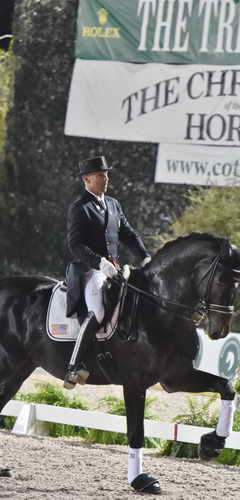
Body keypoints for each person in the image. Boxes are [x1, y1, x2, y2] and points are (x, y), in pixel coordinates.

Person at [64, 155, 151, 389]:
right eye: (101, 175)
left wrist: (145, 256)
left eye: (106, 174)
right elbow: (75, 245)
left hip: (115, 268)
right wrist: (99, 262)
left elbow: (129, 234)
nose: (106, 179)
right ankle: (74, 366)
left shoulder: (113, 204)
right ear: (87, 179)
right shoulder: (79, 207)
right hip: (91, 271)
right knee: (98, 311)